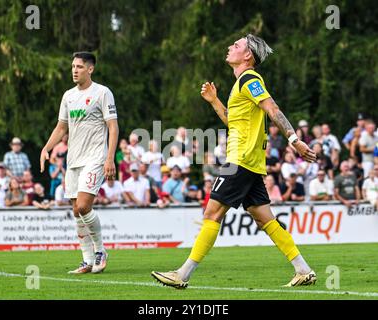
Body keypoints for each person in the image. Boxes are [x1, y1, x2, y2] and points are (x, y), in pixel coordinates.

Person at [151, 34, 317, 288]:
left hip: (240, 161)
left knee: (211, 213)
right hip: (249, 162)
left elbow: (272, 109)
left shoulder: (250, 79)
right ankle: (303, 269)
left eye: (237, 45)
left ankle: (182, 274)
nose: (230, 47)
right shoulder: (241, 84)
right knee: (264, 219)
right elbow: (234, 122)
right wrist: (214, 101)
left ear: (248, 56)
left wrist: (294, 140)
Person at [39, 52, 119, 274]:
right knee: (76, 211)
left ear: (90, 69)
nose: (75, 70)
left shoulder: (102, 93)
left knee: (84, 206)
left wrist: (110, 157)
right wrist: (46, 148)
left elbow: (113, 127)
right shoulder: (68, 96)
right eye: (73, 66)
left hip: (95, 158)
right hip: (73, 160)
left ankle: (101, 251)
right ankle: (87, 260)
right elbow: (61, 127)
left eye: (80, 67)